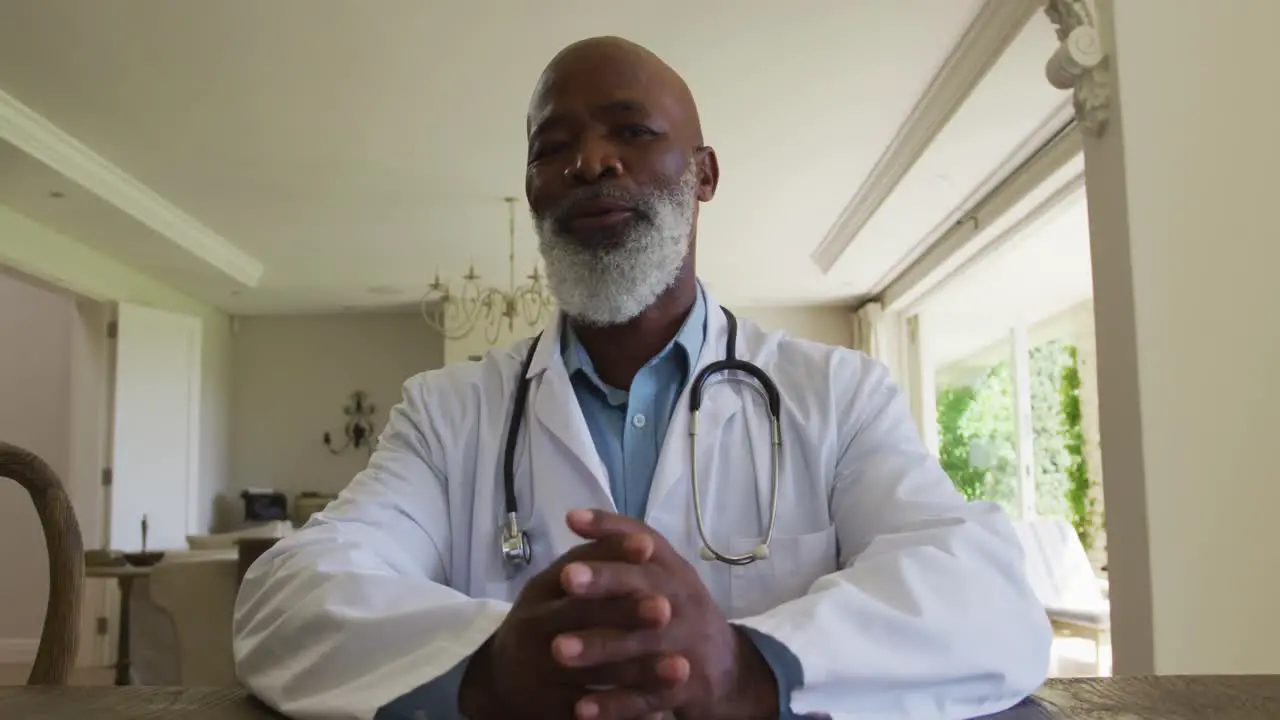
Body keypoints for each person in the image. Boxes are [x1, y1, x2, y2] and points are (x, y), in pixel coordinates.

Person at [233, 36, 1052, 720]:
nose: (590, 161)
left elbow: (988, 596)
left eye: (630, 131)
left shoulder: (838, 395)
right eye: (554, 148)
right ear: (532, 192)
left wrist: (748, 665)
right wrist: (492, 666)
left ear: (704, 176)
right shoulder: (448, 413)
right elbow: (285, 602)